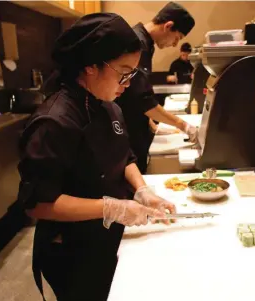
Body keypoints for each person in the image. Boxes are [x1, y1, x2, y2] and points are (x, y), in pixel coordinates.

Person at [16, 13, 176, 301]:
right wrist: (110, 208)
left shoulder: (109, 105)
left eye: (133, 74)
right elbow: (38, 204)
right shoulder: (55, 121)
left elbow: (124, 156)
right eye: (124, 71)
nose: (128, 82)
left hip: (107, 237)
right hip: (72, 249)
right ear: (91, 66)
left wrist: (142, 190)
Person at [117, 2, 197, 174]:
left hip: (134, 125)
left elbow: (136, 92)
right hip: (125, 130)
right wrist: (183, 125)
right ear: (168, 26)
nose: (175, 44)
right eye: (177, 37)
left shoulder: (146, 43)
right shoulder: (137, 43)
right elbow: (142, 99)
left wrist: (152, 125)